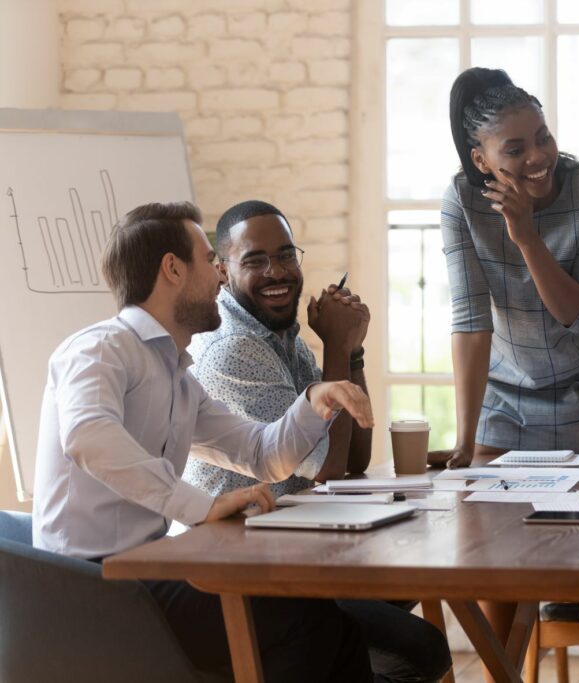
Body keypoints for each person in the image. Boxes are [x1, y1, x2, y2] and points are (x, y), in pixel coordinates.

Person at [33, 201, 376, 682]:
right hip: (93, 591)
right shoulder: (98, 350)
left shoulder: (175, 374)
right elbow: (87, 435)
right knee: (308, 622)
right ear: (172, 268)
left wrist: (314, 399)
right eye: (207, 260)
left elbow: (263, 454)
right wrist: (197, 505)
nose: (220, 276)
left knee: (332, 626)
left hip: (143, 572)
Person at [184, 199, 452, 683]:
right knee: (422, 649)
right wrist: (337, 345)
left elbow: (355, 456)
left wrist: (352, 352)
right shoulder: (232, 348)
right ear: (222, 270)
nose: (276, 271)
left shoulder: (277, 332)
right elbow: (324, 464)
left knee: (405, 587)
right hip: (252, 574)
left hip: (303, 552)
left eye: (286, 255)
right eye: (256, 260)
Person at [438, 67, 579, 683]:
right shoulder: (462, 200)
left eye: (542, 137)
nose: (538, 156)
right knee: (498, 558)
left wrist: (525, 236)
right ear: (481, 158)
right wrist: (466, 439)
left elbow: (578, 312)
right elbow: (470, 322)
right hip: (508, 393)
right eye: (515, 149)